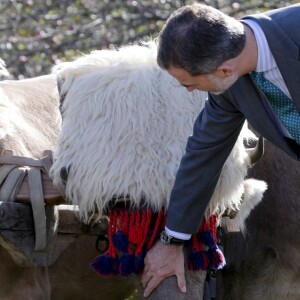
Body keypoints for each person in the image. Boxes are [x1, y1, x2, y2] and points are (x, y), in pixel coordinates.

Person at [141, 2, 300, 297]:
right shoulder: (230, 84)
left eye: (189, 83)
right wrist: (171, 241)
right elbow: (203, 155)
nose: (189, 91)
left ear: (223, 69)